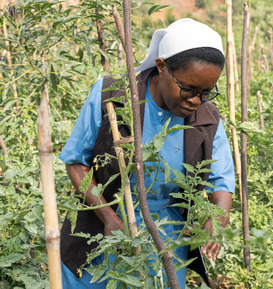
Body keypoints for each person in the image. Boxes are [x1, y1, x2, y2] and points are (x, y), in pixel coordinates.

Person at [59, 18, 235, 288]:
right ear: (162, 66)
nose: (195, 101)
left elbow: (221, 180)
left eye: (206, 92)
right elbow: (76, 163)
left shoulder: (208, 117)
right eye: (187, 89)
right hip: (102, 228)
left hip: (168, 235)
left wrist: (217, 218)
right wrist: (109, 218)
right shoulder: (112, 95)